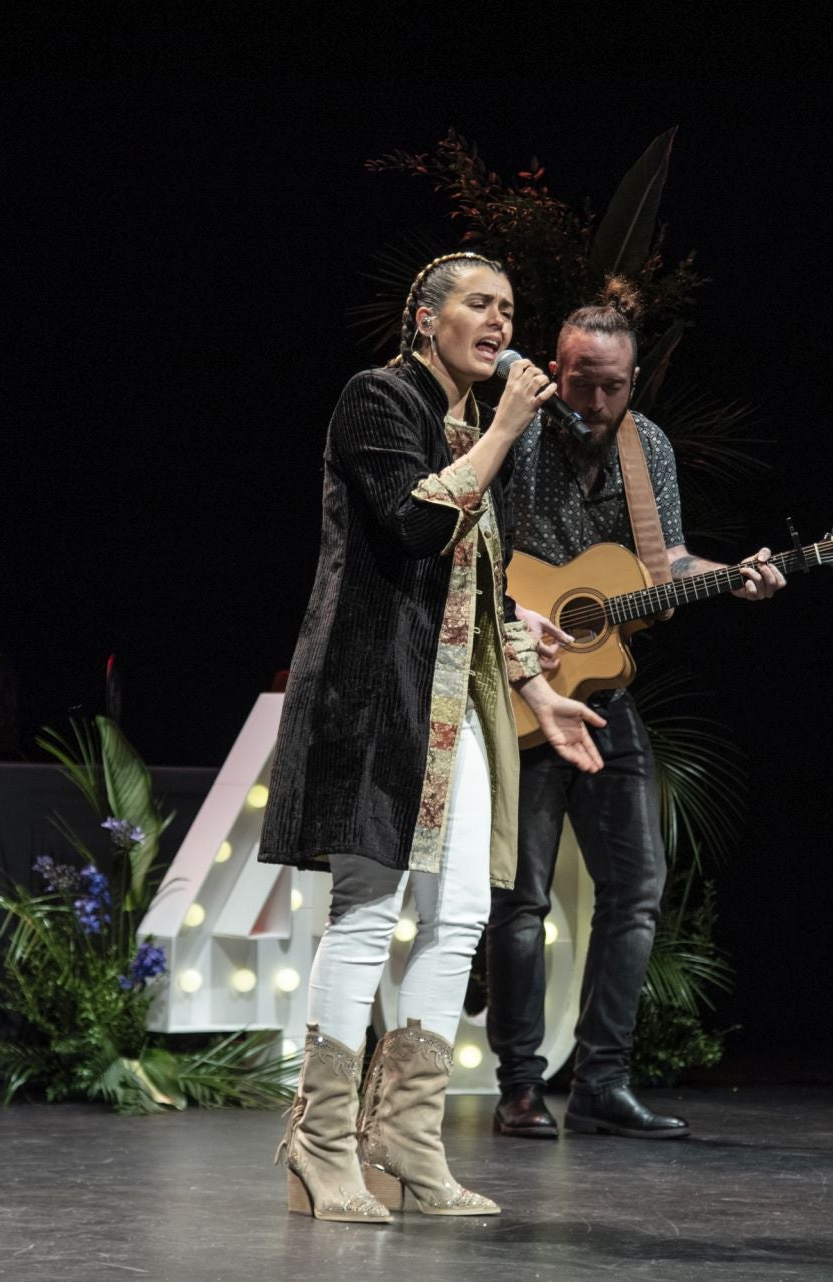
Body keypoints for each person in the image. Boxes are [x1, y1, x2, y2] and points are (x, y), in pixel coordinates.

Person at [260, 252, 606, 1222]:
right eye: (477, 304)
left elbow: (485, 585)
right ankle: (319, 1144)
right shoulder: (378, 398)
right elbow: (415, 525)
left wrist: (539, 694)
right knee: (367, 911)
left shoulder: (463, 426)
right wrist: (503, 428)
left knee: (460, 914)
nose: (499, 320)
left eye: (508, 306)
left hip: (454, 709)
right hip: (376, 696)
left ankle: (405, 1138)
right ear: (425, 318)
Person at [486, 280, 784, 1141]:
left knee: (639, 887)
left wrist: (737, 576)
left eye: (612, 385)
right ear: (555, 368)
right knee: (521, 899)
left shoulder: (645, 446)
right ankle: (517, 1087)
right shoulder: (519, 429)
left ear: (635, 380)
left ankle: (601, 1083)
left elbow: (666, 564)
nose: (595, 400)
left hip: (605, 697)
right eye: (581, 381)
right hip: (518, 689)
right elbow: (474, 556)